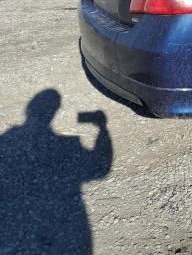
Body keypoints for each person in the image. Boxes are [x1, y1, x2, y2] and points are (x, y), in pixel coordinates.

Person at [0, 89, 112, 254]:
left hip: (13, 231)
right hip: (66, 230)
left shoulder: (8, 138)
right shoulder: (68, 146)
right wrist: (102, 129)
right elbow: (100, 169)